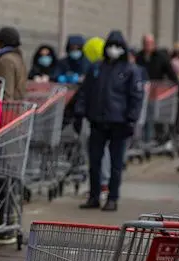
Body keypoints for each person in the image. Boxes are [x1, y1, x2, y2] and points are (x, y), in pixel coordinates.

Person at [75, 30, 144, 212]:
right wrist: (80, 111)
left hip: (119, 123)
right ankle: (94, 196)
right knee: (95, 162)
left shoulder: (130, 70)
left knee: (115, 163)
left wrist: (131, 119)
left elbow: (136, 96)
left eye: (117, 46)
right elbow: (85, 91)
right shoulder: (97, 68)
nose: (114, 49)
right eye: (111, 46)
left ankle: (112, 198)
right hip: (98, 121)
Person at [0, 26, 28, 101]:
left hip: (7, 110)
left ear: (0, 43)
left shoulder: (6, 61)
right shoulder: (16, 58)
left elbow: (6, 93)